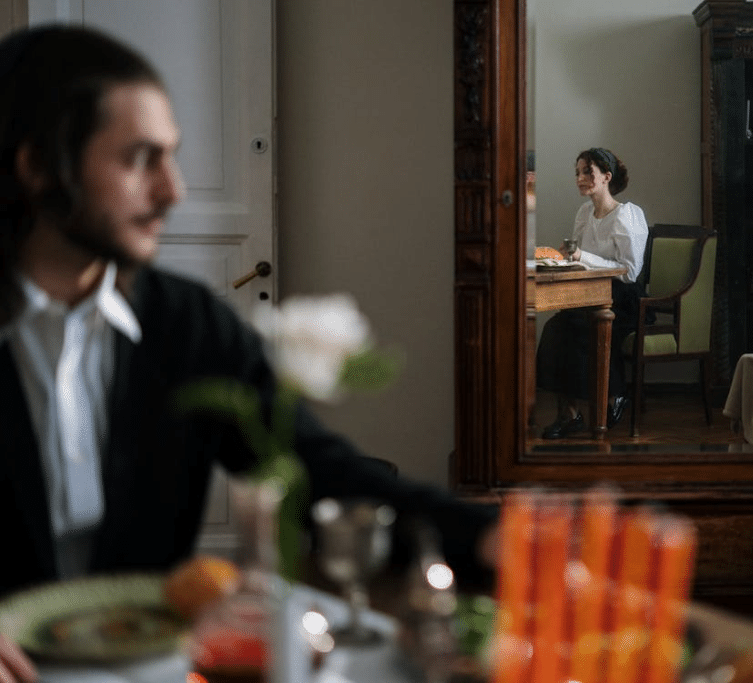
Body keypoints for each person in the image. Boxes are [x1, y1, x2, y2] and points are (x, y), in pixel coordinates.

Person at [0, 25, 497, 682]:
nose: (173, 190)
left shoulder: (189, 323)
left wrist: (494, 536)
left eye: (172, 157)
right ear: (38, 166)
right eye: (139, 158)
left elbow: (323, 474)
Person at [535, 148, 648, 438]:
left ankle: (614, 395)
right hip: (590, 292)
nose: (580, 178)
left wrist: (583, 255)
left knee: (577, 326)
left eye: (588, 172)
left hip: (622, 298)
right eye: (577, 173)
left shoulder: (627, 215)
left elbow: (630, 271)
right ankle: (570, 414)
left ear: (606, 177)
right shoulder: (585, 212)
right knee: (556, 327)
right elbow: (580, 258)